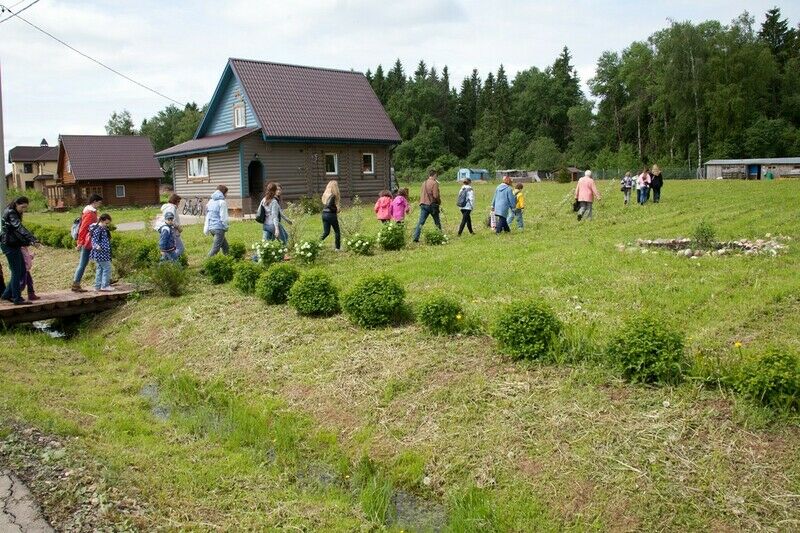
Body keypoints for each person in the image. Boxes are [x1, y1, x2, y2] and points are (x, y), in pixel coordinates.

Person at [0, 197, 38, 305]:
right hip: (9, 246)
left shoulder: (13, 211)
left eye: (26, 207)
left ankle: (6, 295)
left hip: (13, 244)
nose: (24, 210)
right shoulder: (11, 213)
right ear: (16, 204)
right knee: (16, 272)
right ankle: (17, 298)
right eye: (22, 207)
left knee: (21, 271)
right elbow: (19, 227)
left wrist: (30, 240)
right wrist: (32, 239)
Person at [72, 194, 103, 292]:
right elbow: (83, 228)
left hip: (90, 241)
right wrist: (80, 242)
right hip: (88, 242)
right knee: (83, 263)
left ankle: (102, 281)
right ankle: (76, 284)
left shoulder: (91, 211)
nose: (100, 204)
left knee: (98, 261)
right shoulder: (89, 213)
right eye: (99, 202)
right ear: (94, 202)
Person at [412, 169, 442, 242]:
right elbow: (435, 195)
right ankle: (440, 236)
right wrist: (439, 201)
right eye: (436, 175)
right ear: (434, 175)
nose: (436, 177)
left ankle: (415, 238)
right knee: (437, 222)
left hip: (423, 204)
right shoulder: (434, 183)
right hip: (432, 205)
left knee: (421, 222)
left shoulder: (424, 183)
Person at [89, 213, 114, 292]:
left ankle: (97, 286)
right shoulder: (98, 229)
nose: (107, 225)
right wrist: (97, 247)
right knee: (107, 268)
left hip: (104, 253)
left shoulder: (102, 228)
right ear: (102, 221)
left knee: (100, 269)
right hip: (101, 253)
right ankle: (105, 285)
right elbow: (93, 241)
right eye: (106, 223)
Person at [204, 185, 229, 256]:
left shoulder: (210, 201)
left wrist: (206, 228)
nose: (227, 195)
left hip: (212, 228)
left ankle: (229, 261)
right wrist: (226, 226)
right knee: (216, 249)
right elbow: (223, 217)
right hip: (219, 228)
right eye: (226, 193)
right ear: (223, 193)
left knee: (225, 247)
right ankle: (206, 263)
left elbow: (208, 215)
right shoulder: (222, 202)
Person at [320, 180, 341, 251]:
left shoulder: (325, 195)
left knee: (326, 232)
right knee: (337, 231)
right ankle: (337, 248)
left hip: (324, 214)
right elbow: (329, 205)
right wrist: (336, 209)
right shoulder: (333, 195)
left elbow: (327, 205)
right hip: (331, 215)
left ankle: (317, 243)